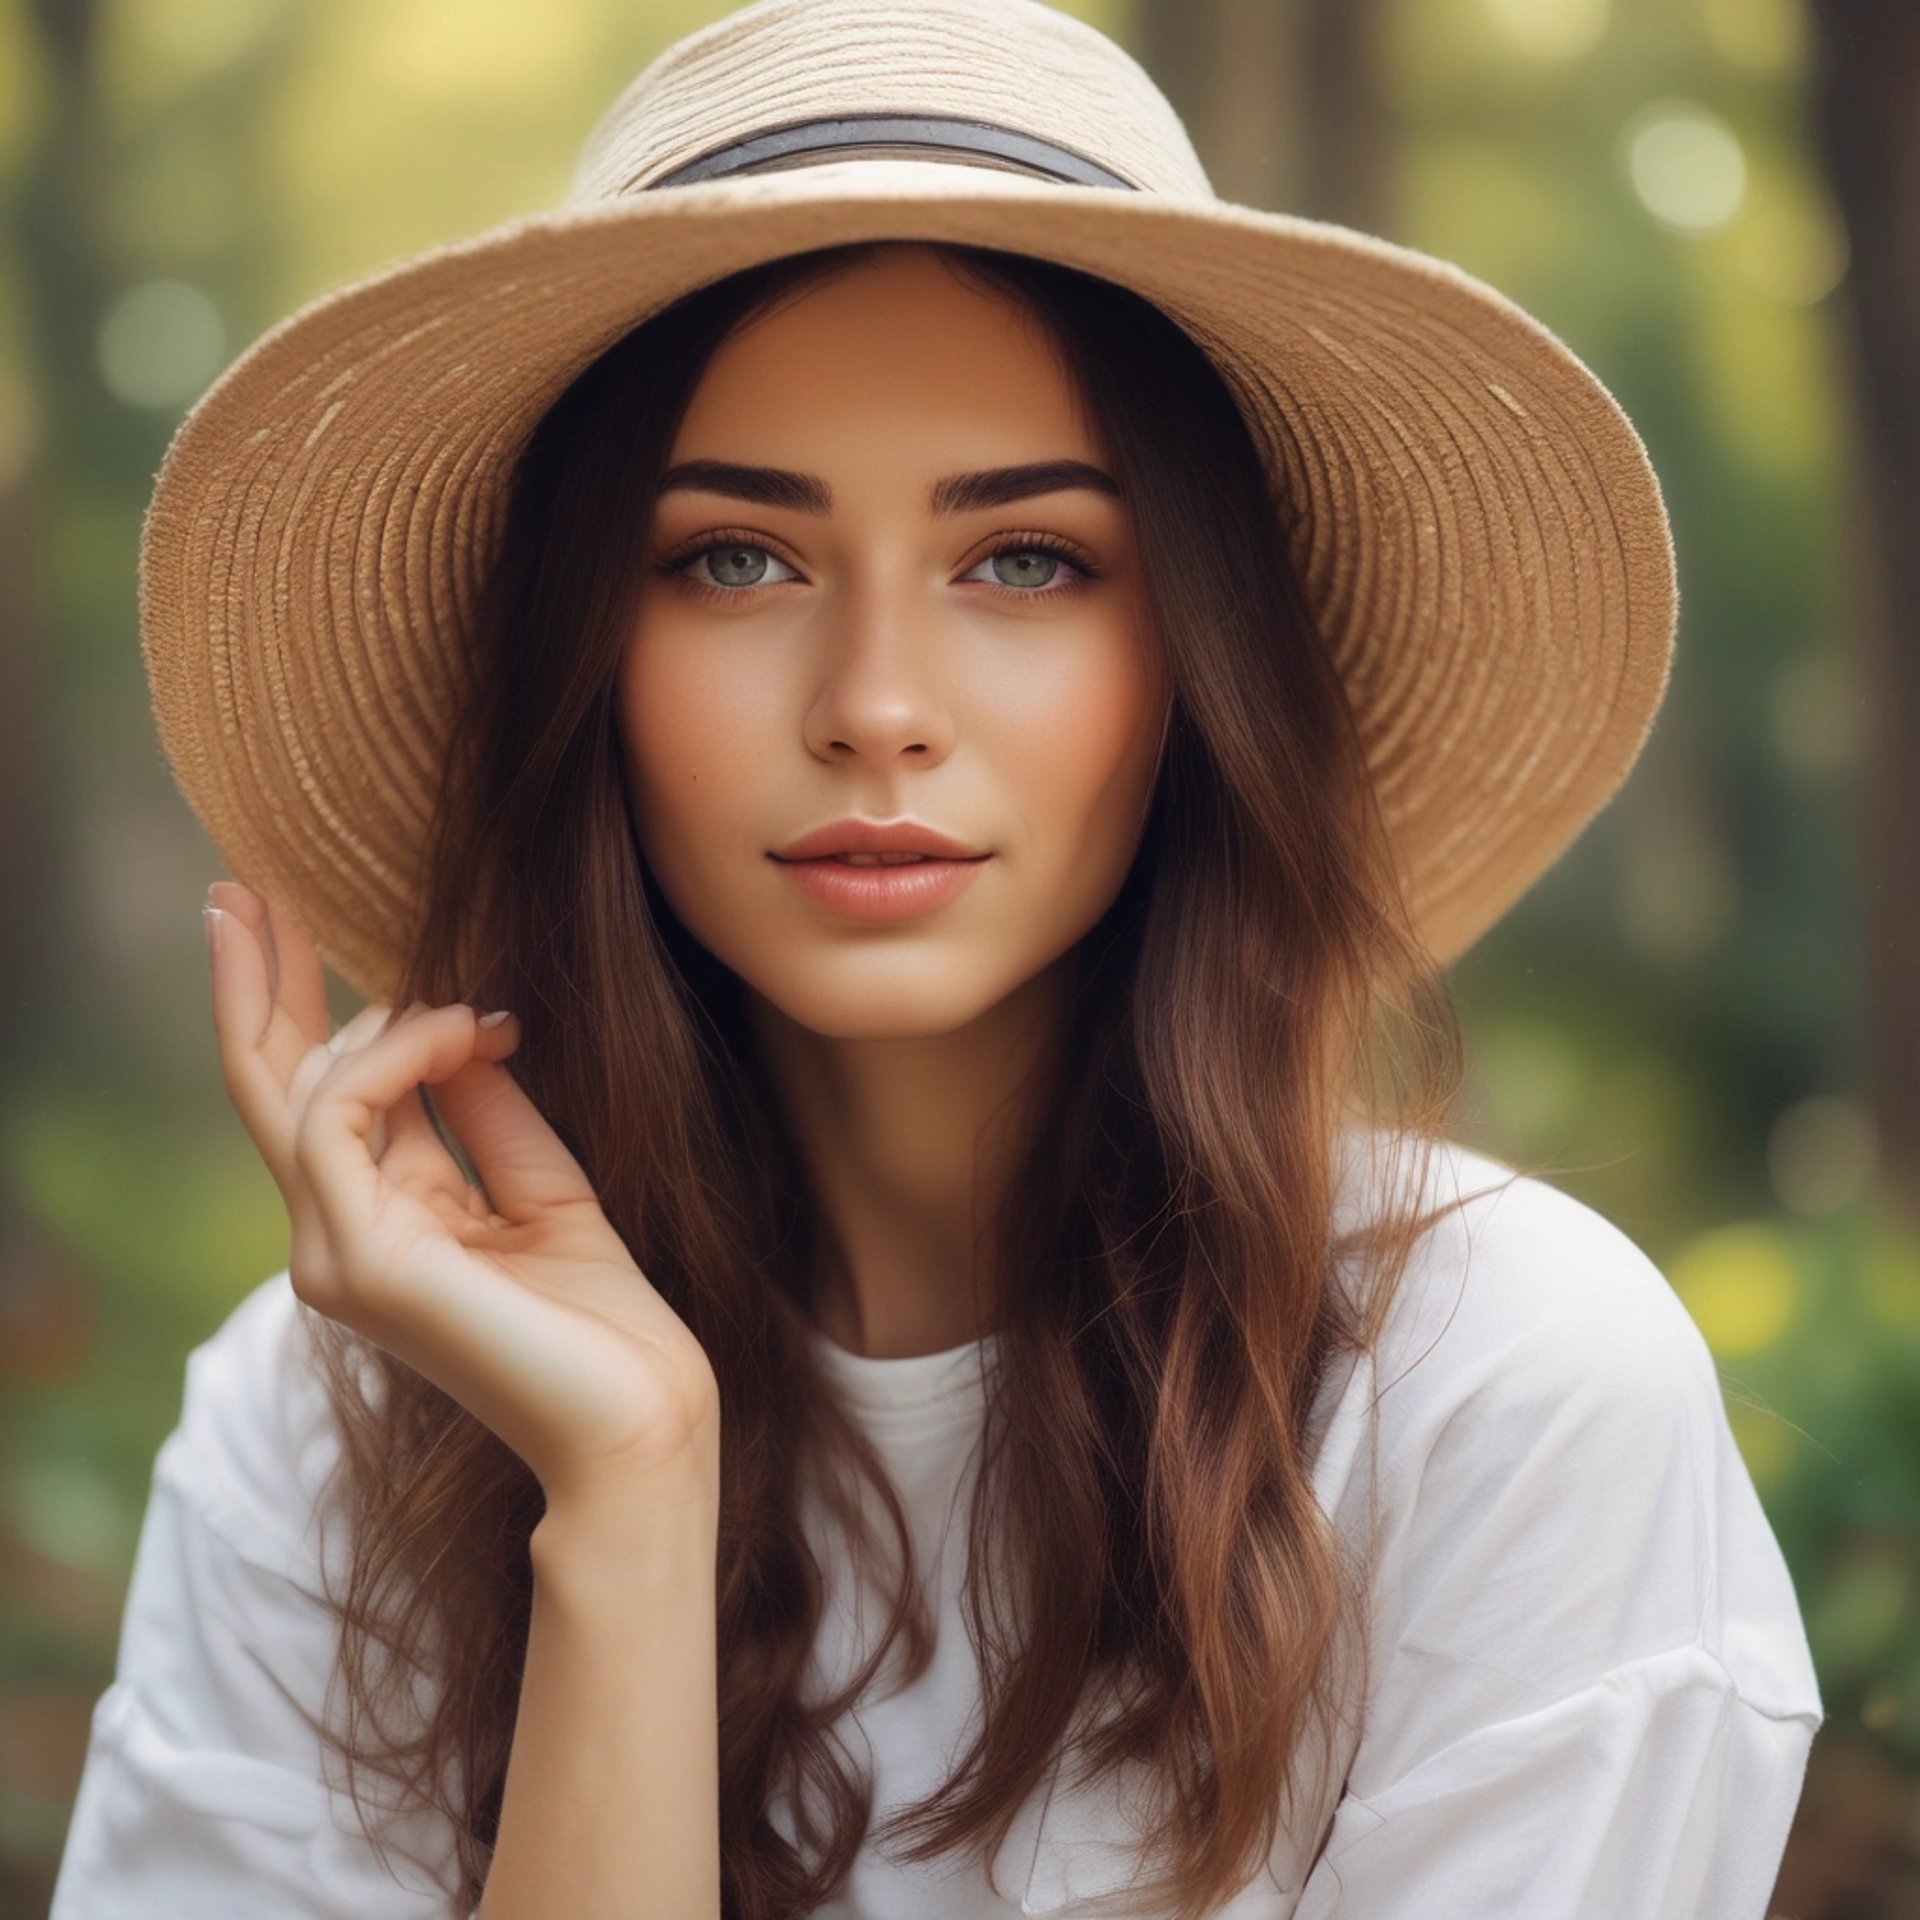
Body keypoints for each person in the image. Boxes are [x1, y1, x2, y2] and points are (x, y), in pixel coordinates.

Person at [50, 0, 1823, 1915]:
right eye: (735, 557)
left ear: (1195, 664)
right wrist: (625, 1502)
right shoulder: (327, 1431)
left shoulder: (1501, 1394)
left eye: (1028, 560)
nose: (878, 706)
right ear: (588, 666)